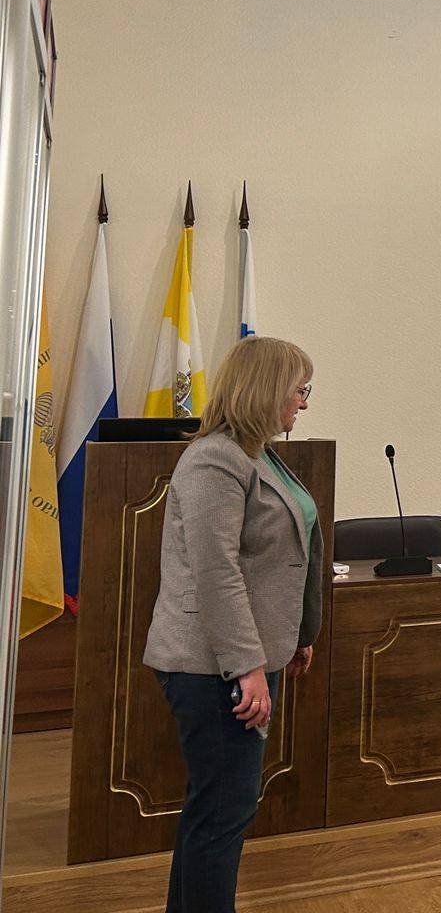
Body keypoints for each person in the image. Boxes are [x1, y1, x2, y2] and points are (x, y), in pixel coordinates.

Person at [143, 336, 321, 913]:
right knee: (222, 811)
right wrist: (247, 666)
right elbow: (216, 572)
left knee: (221, 808)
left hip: (246, 659)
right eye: (299, 390)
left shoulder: (258, 454)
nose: (304, 402)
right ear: (266, 390)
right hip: (211, 665)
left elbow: (285, 553)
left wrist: (297, 635)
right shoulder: (214, 459)